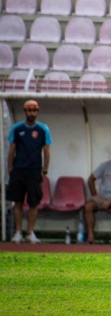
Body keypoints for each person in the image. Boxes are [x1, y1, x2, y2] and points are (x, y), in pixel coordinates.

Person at [7, 100, 52, 244]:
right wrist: (10, 167)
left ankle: (30, 232)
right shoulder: (17, 128)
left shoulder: (43, 129)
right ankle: (18, 232)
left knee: (33, 203)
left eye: (34, 111)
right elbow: (12, 149)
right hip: (19, 170)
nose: (31, 113)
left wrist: (45, 170)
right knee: (18, 202)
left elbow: (47, 151)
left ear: (37, 112)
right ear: (25, 112)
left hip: (34, 171)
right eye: (29, 110)